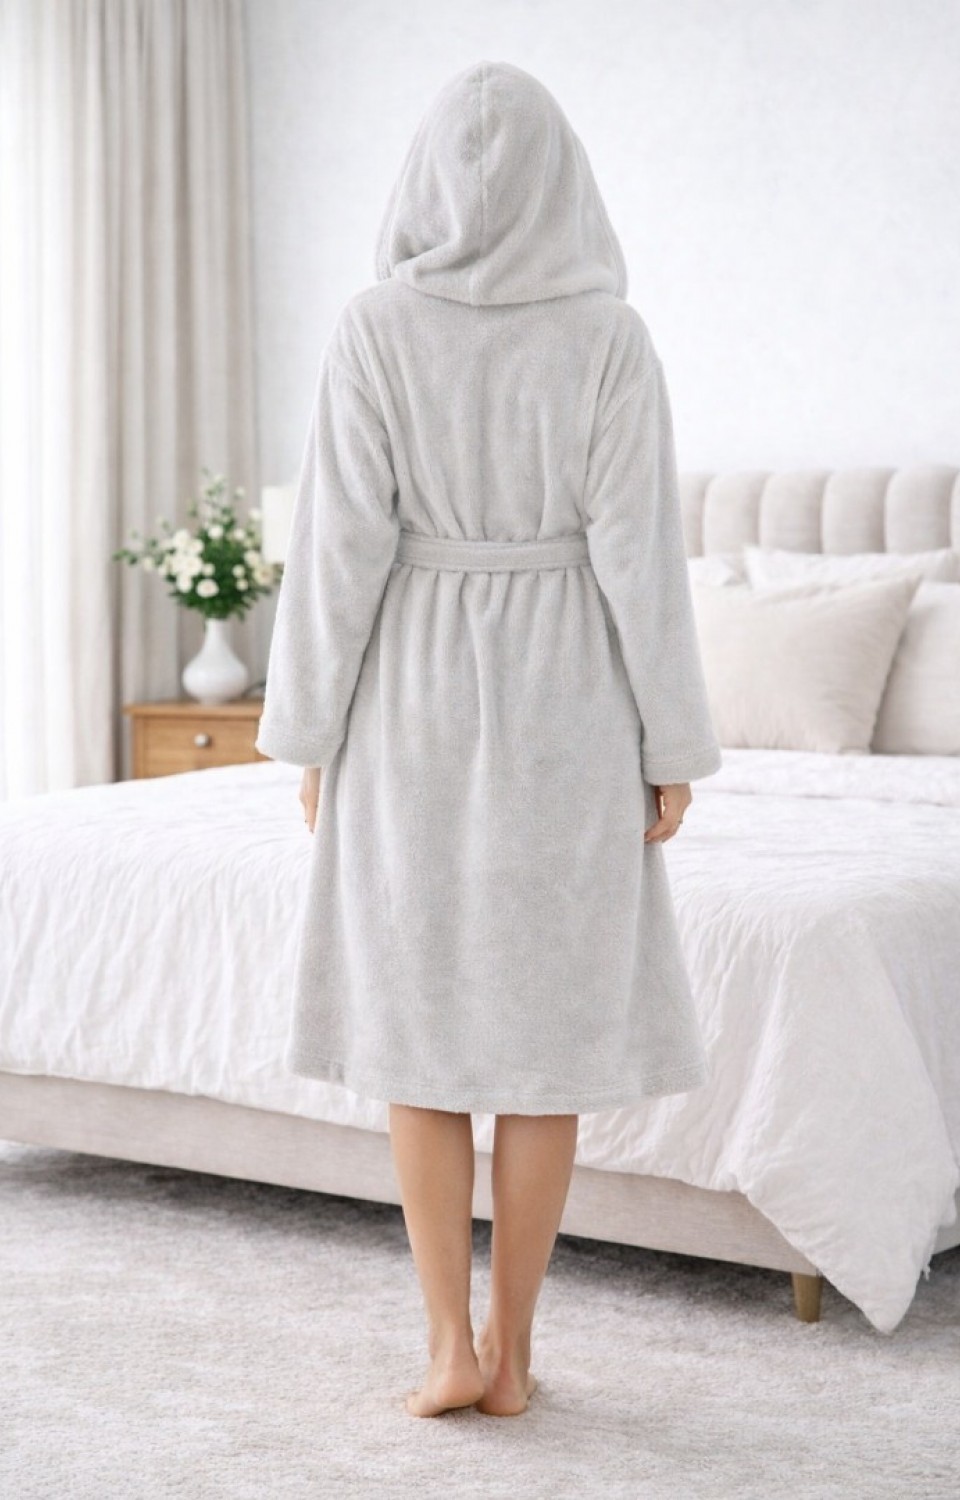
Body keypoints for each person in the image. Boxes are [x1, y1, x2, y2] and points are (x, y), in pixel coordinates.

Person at [255, 59, 722, 1419]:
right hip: (567, 704)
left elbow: (336, 554)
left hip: (406, 701)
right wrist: (670, 746)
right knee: (538, 1042)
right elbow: (645, 565)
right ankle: (514, 1354)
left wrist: (310, 734)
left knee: (421, 1036)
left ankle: (444, 1345)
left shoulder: (373, 330)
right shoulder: (610, 339)